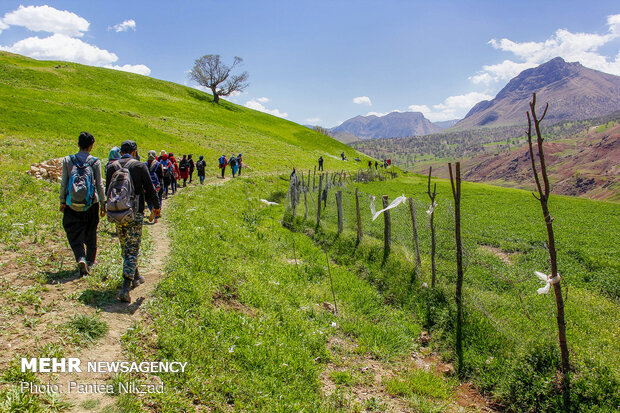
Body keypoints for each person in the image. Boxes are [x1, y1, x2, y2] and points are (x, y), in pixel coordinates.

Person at [106, 140, 160, 303]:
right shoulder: (139, 166)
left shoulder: (111, 167)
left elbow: (108, 189)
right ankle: (125, 286)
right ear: (135, 151)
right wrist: (156, 208)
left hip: (117, 212)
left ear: (121, 151)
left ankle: (135, 275)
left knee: (125, 245)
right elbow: (150, 190)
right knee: (133, 248)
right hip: (135, 212)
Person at [60, 132, 106, 276]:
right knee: (91, 231)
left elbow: (64, 183)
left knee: (73, 231)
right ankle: (91, 261)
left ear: (78, 143)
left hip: (71, 203)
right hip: (91, 203)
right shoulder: (95, 162)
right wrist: (103, 203)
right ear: (92, 145)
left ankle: (81, 257)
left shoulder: (68, 160)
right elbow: (99, 184)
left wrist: (62, 201)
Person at [146, 150, 163, 222]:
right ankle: (156, 216)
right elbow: (161, 176)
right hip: (157, 185)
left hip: (147, 185)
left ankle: (151, 209)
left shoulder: (144, 164)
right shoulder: (158, 164)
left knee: (148, 200)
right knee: (158, 199)